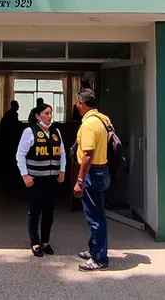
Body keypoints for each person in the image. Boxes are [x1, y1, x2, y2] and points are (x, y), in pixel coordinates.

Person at [15, 102, 66, 257]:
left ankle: (45, 242)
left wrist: (62, 171)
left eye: (50, 113)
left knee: (49, 212)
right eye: (46, 113)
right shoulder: (29, 132)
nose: (49, 116)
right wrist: (25, 175)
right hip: (35, 180)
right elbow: (20, 155)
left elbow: (62, 152)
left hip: (51, 180)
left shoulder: (56, 131)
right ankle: (35, 242)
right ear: (38, 116)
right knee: (35, 211)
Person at [72, 87, 112, 271]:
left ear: (82, 103)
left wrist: (80, 180)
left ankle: (99, 259)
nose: (76, 105)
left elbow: (88, 154)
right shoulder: (103, 119)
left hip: (92, 174)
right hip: (102, 171)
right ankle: (93, 248)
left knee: (96, 218)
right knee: (97, 213)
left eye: (77, 102)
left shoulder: (88, 124)